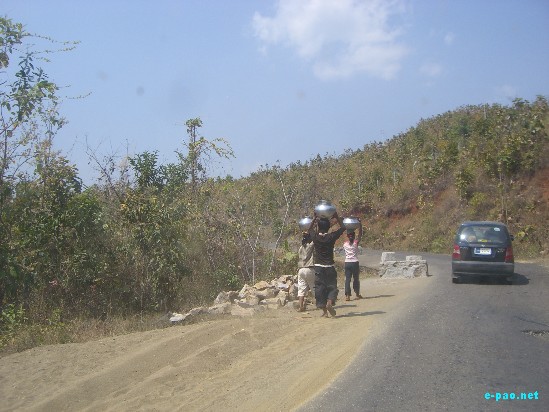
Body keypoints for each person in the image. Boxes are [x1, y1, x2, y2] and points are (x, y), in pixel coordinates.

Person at [308, 211, 345, 318]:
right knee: (332, 287)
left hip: (319, 268)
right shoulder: (331, 237)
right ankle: (329, 302)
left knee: (320, 288)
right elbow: (343, 228)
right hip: (330, 267)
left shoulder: (316, 237)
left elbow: (309, 229)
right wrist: (337, 217)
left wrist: (314, 218)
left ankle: (324, 311)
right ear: (328, 227)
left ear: (319, 227)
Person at [343, 220, 363, 301]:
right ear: (354, 236)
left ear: (348, 236)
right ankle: (357, 294)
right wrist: (360, 225)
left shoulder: (345, 244)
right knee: (356, 279)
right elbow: (360, 234)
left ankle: (347, 296)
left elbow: (344, 234)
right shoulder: (355, 243)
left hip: (347, 263)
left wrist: (344, 227)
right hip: (355, 263)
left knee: (347, 279)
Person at [297, 231, 315, 312]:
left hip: (301, 270)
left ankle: (301, 306)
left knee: (301, 289)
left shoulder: (301, 248)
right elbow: (315, 240)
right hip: (309, 269)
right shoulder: (310, 246)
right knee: (314, 288)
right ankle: (321, 304)